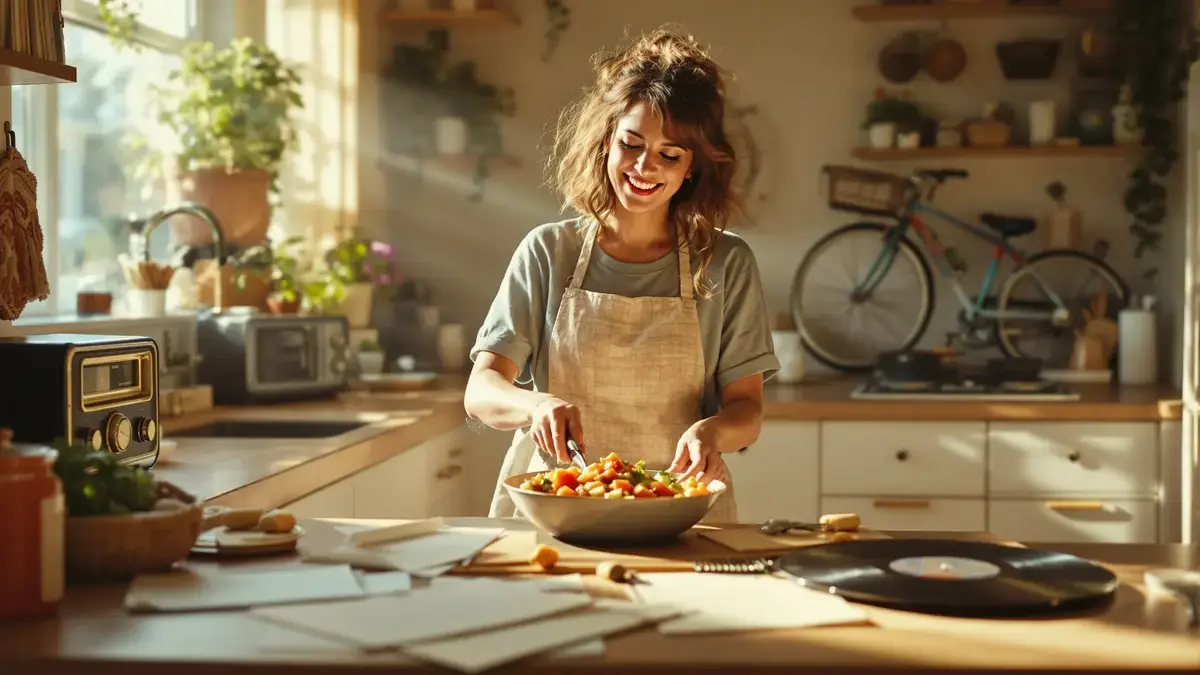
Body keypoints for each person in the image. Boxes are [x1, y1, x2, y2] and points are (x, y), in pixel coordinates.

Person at [464, 27, 779, 522]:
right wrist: (536, 405)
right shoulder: (548, 251)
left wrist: (712, 432)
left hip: (682, 508)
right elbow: (481, 390)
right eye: (631, 144)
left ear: (693, 167)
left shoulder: (725, 262)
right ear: (606, 140)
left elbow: (746, 409)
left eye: (669, 155)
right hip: (556, 506)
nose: (644, 167)